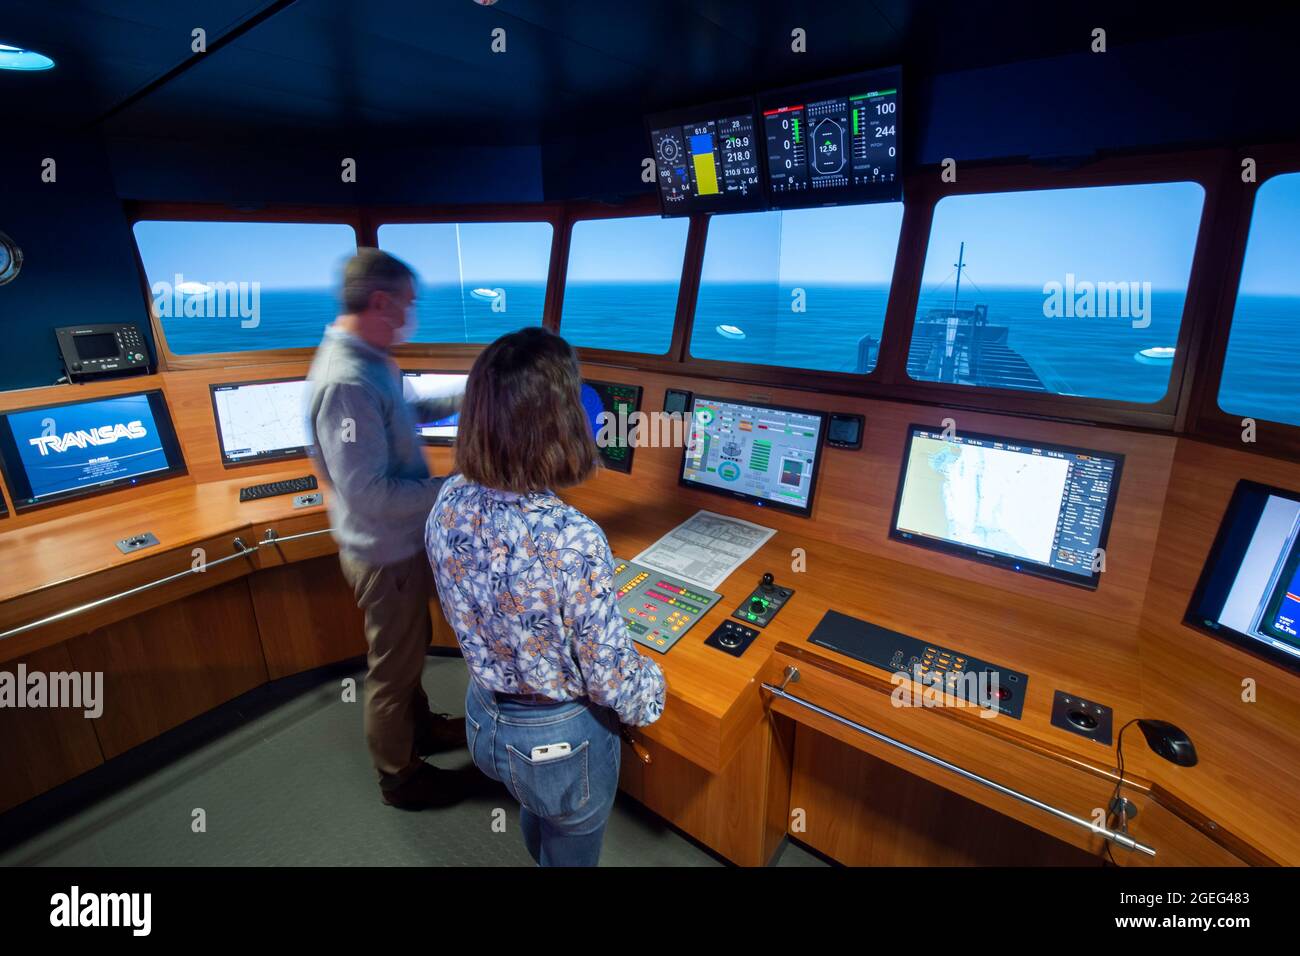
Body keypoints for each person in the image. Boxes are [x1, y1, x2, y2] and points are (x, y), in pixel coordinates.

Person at [426, 327, 666, 866]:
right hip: (558, 742)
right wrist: (653, 692)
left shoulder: (450, 497)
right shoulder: (572, 537)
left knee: (538, 812)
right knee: (569, 843)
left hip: (486, 719)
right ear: (559, 424)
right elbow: (611, 680)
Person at [307, 248, 469, 810]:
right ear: (380, 301)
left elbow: (404, 412)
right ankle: (400, 776)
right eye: (406, 305)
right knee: (393, 669)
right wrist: (458, 486)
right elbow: (368, 492)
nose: (410, 317)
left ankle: (419, 730)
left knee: (408, 649)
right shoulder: (346, 381)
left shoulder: (373, 360)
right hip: (382, 551)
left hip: (401, 543)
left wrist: (472, 395)